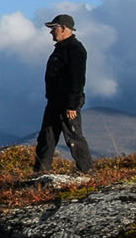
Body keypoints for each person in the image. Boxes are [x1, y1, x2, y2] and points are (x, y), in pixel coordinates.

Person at [34, 13, 95, 174]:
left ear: (64, 28)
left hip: (68, 103)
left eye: (53, 28)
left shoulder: (75, 49)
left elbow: (77, 79)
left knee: (73, 137)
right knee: (47, 138)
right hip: (55, 102)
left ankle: (87, 171)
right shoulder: (61, 49)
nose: (51, 32)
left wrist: (72, 105)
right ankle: (40, 173)